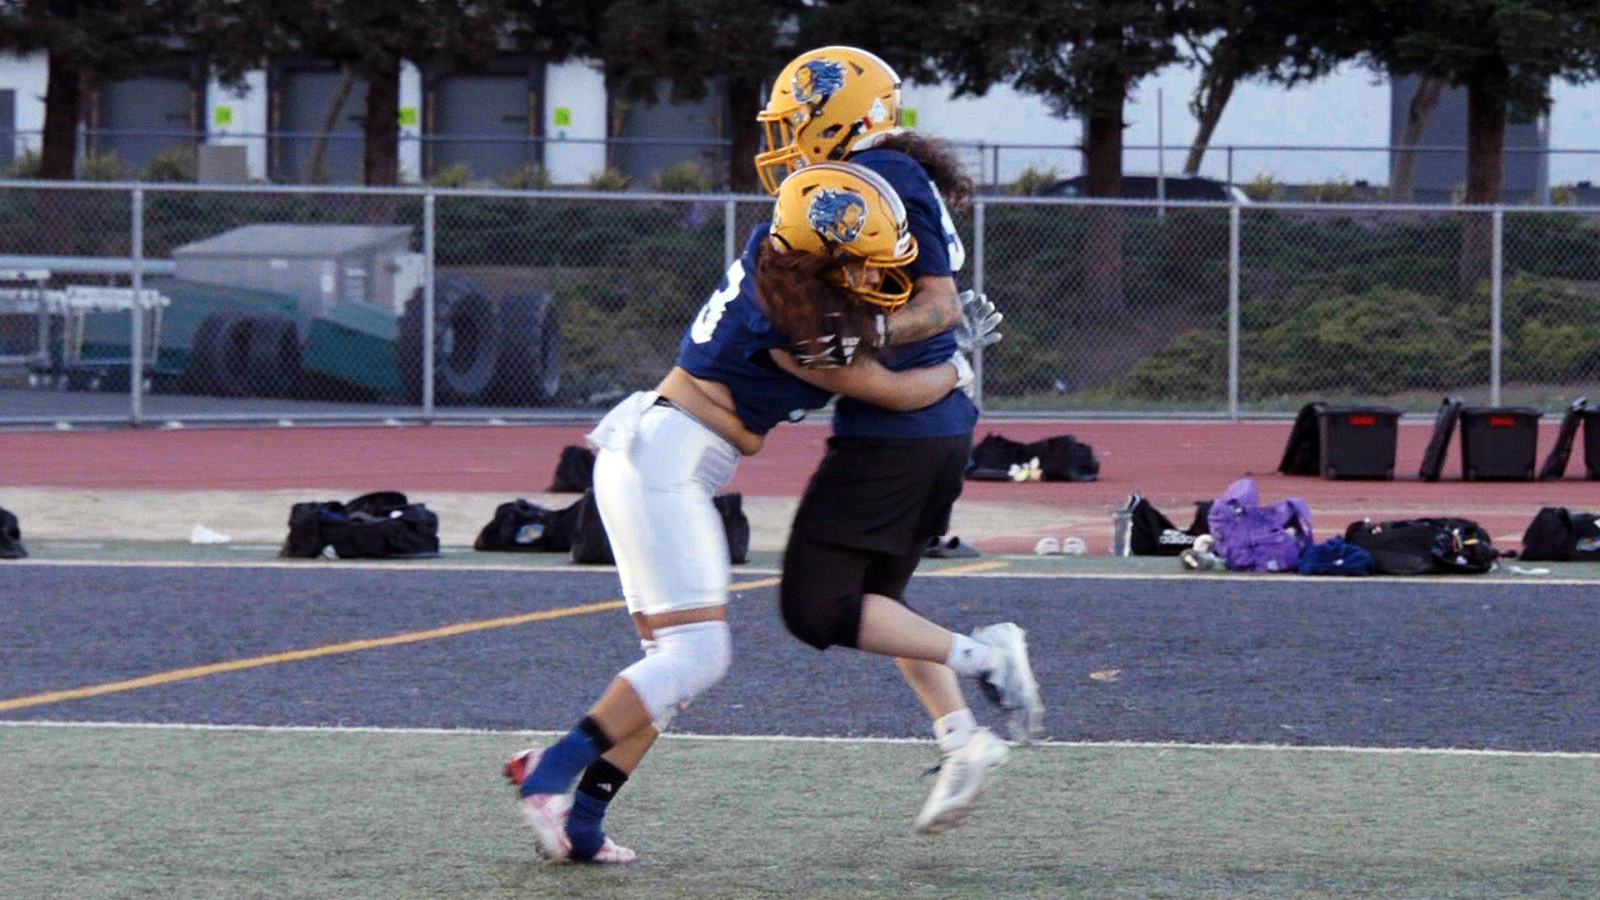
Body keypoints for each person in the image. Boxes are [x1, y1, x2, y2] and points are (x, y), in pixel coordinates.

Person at [503, 161, 983, 864]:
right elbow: (899, 393)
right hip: (664, 464)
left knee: (671, 669)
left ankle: (584, 822)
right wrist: (958, 365)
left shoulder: (785, 256)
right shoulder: (800, 324)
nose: (875, 274)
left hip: (656, 454)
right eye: (862, 260)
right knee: (697, 657)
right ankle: (550, 772)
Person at [758, 45, 1045, 835]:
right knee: (880, 605)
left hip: (900, 430)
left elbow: (939, 305)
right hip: (929, 426)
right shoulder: (882, 173)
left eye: (798, 117)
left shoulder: (879, 174)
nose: (785, 136)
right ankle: (962, 741)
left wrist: (864, 337)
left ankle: (989, 657)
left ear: (841, 112)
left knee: (815, 608)